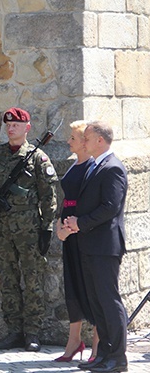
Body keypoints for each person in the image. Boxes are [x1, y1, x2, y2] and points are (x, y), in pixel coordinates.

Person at [0, 107, 58, 352]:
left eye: (16, 124)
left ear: (27, 127)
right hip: (3, 228)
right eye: (8, 124)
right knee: (7, 279)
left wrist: (47, 228)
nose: (11, 128)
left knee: (33, 280)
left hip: (29, 229)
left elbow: (49, 196)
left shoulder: (38, 158)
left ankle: (33, 333)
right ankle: (14, 331)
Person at [63, 121, 128, 373]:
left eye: (87, 138)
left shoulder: (112, 168)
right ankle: (103, 355)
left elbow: (110, 207)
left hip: (104, 246)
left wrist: (81, 223)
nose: (84, 142)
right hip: (89, 244)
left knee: (109, 302)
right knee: (96, 303)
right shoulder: (96, 165)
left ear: (100, 140)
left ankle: (118, 358)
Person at [54, 121, 99, 362]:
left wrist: (70, 228)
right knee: (72, 285)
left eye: (73, 138)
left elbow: (86, 204)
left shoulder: (93, 168)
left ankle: (97, 345)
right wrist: (61, 228)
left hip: (83, 233)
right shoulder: (74, 165)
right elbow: (66, 200)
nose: (68, 141)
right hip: (68, 232)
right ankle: (73, 342)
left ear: (85, 142)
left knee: (90, 287)